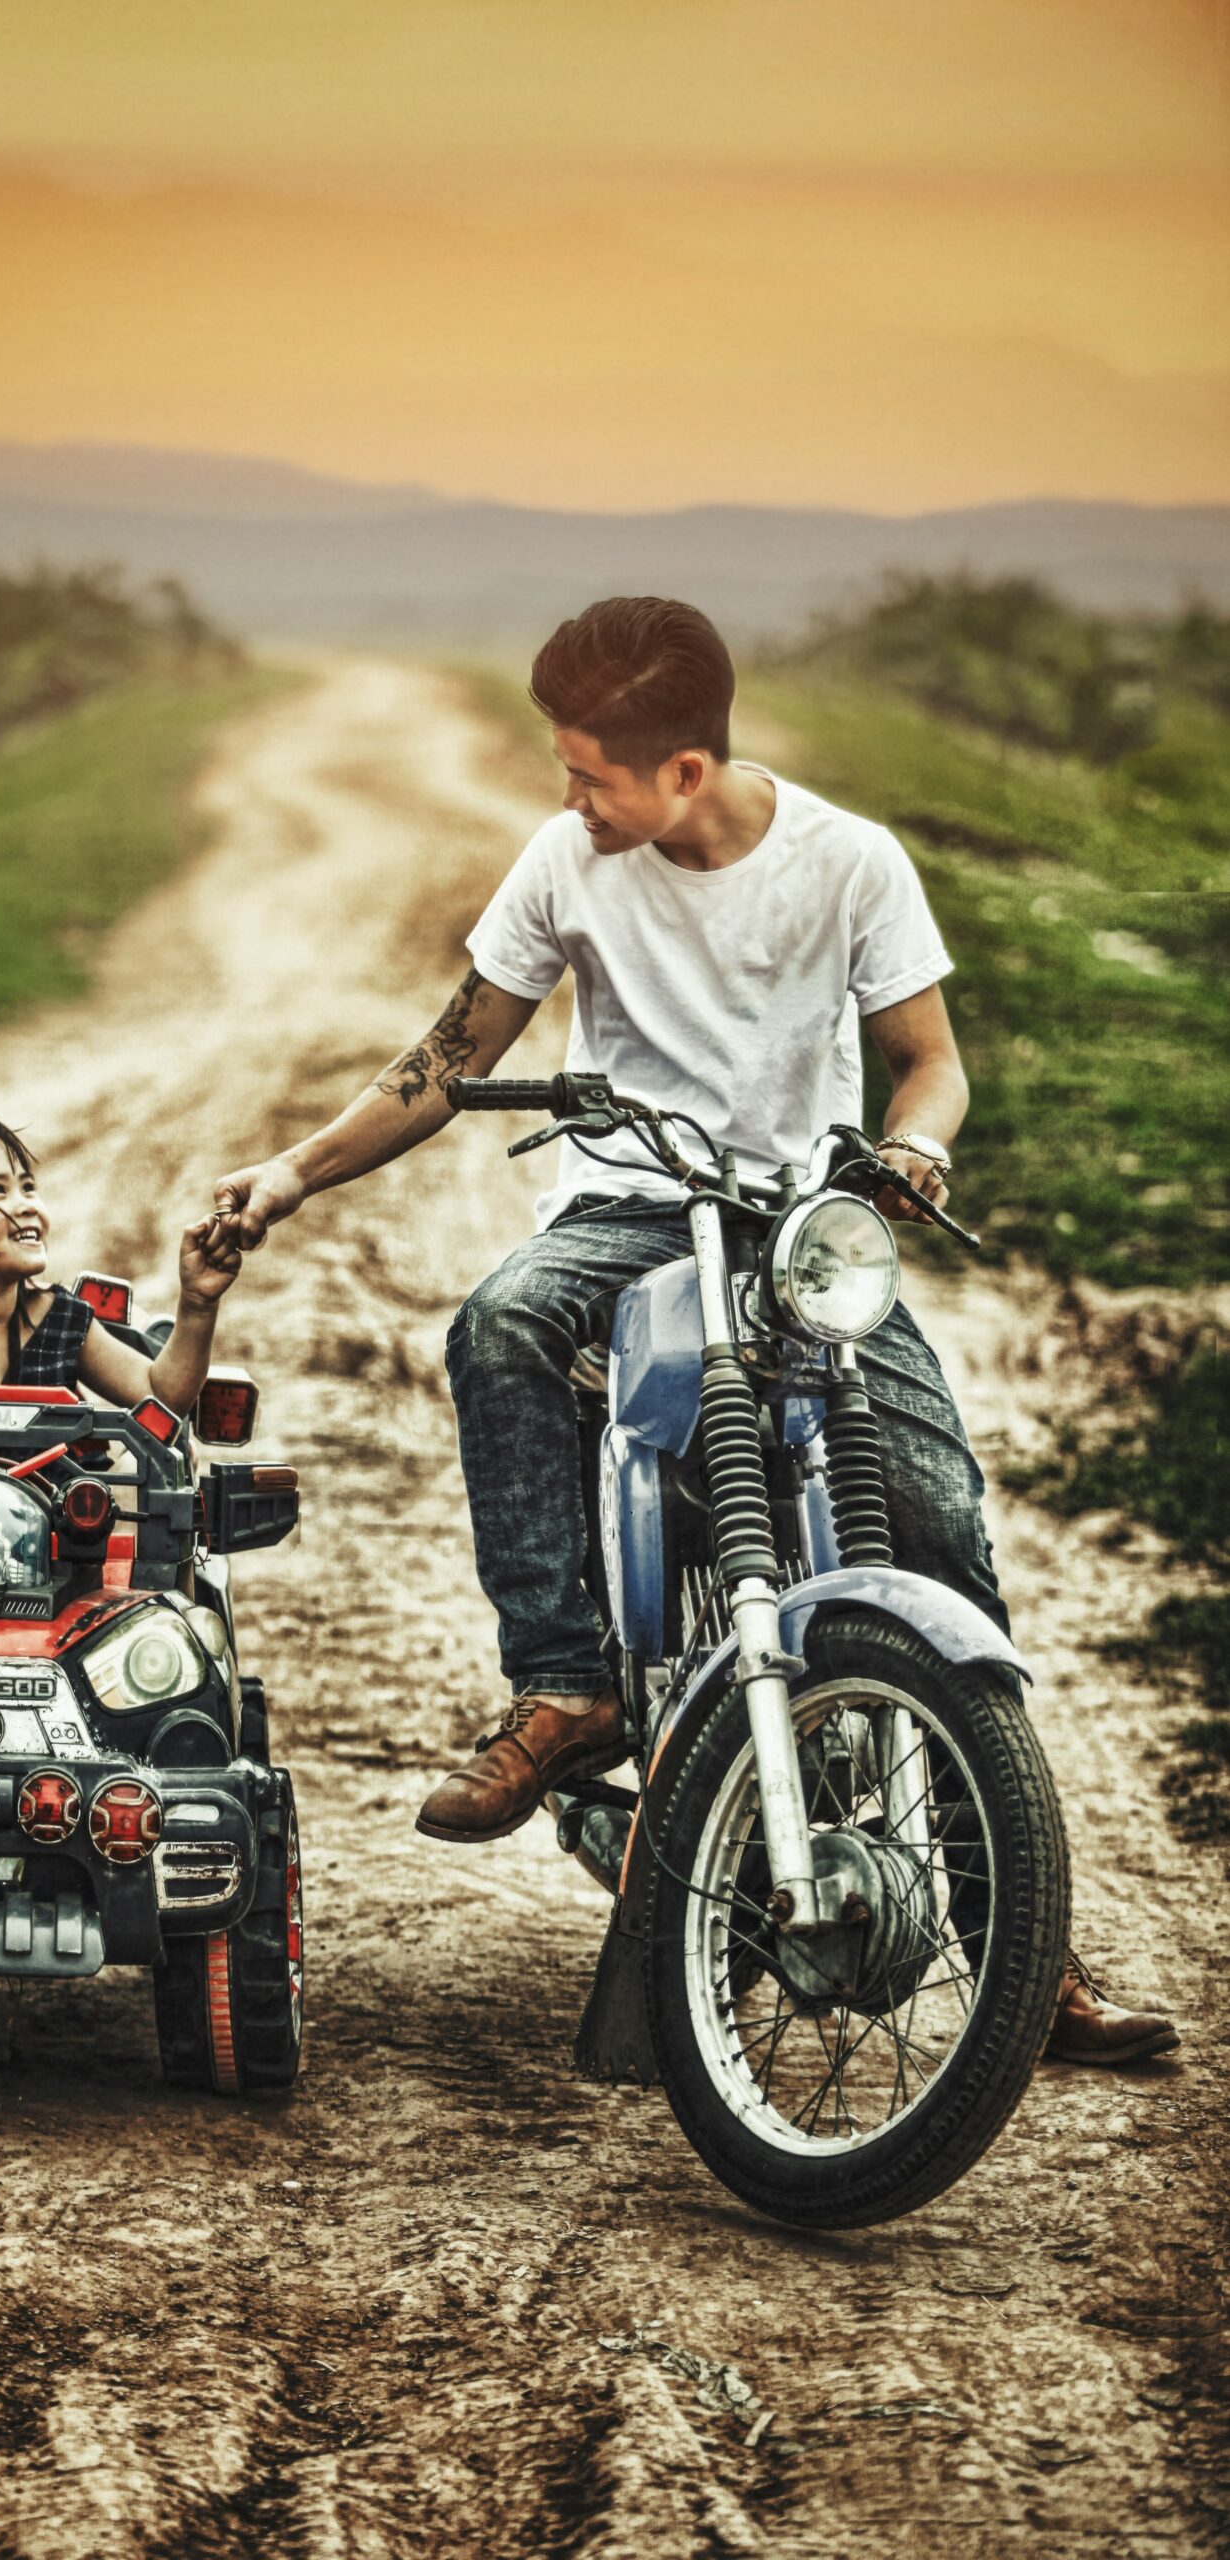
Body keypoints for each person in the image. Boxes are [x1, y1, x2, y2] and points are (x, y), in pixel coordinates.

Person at [214, 596, 1178, 2070]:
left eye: (587, 770)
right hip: (626, 1214)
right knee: (498, 1327)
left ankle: (1016, 1941)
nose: (565, 793)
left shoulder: (849, 862)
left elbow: (926, 1067)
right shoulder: (564, 863)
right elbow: (447, 1056)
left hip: (801, 1225)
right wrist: (287, 1173)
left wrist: (909, 1154)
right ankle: (567, 1682)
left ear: (681, 770)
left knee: (938, 1527)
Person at [0, 1105, 240, 1407]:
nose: (26, 1204)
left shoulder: (61, 1318)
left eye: (27, 1187)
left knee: (134, 1473)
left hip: (55, 1503)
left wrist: (197, 1304)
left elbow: (161, 1394)